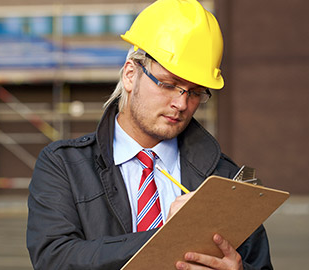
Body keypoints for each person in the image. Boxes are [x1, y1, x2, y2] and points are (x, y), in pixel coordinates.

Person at [26, 0, 272, 269]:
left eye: (195, 91)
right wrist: (173, 236)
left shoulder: (224, 178)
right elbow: (54, 260)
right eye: (168, 84)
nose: (182, 104)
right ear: (131, 74)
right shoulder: (63, 166)